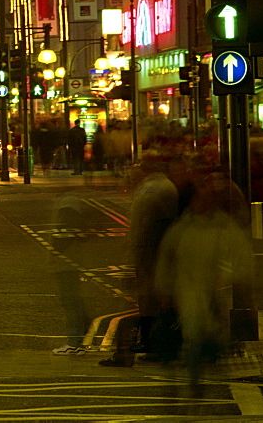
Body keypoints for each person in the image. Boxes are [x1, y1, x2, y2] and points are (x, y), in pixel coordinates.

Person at [154, 171, 252, 390]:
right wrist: (165, 291)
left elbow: (241, 255)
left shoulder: (221, 226)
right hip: (187, 290)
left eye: (207, 198)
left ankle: (192, 374)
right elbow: (167, 259)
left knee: (205, 334)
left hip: (213, 292)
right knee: (194, 333)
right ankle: (193, 377)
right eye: (200, 198)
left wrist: (231, 278)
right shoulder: (182, 228)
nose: (203, 202)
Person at [101, 151, 178, 366]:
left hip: (149, 252)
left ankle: (148, 344)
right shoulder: (159, 186)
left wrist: (136, 252)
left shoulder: (152, 189)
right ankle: (150, 343)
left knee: (148, 299)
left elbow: (142, 225)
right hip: (152, 251)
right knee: (149, 299)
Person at [49, 193, 91, 355]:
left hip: (66, 263)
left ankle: (74, 341)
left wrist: (54, 252)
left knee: (69, 300)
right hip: (69, 261)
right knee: (73, 299)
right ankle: (82, 329)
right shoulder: (70, 200)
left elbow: (64, 234)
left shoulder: (67, 203)